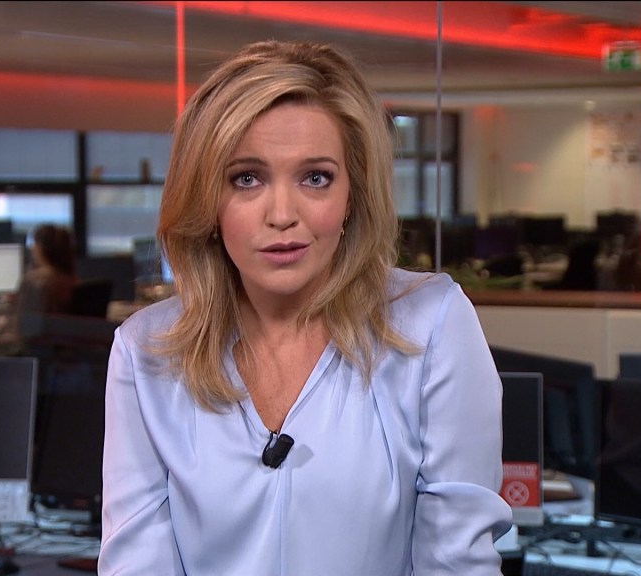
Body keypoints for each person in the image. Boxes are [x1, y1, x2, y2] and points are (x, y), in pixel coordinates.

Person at [99, 40, 512, 575]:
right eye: (246, 178)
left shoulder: (432, 323)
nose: (282, 214)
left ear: (351, 194)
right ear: (207, 200)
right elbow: (137, 563)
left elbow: (457, 563)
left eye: (315, 177)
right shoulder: (145, 350)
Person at [13, 223, 77, 320]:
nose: (32, 249)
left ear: (40, 247)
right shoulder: (72, 280)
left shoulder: (34, 281)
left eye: (34, 244)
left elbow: (22, 323)